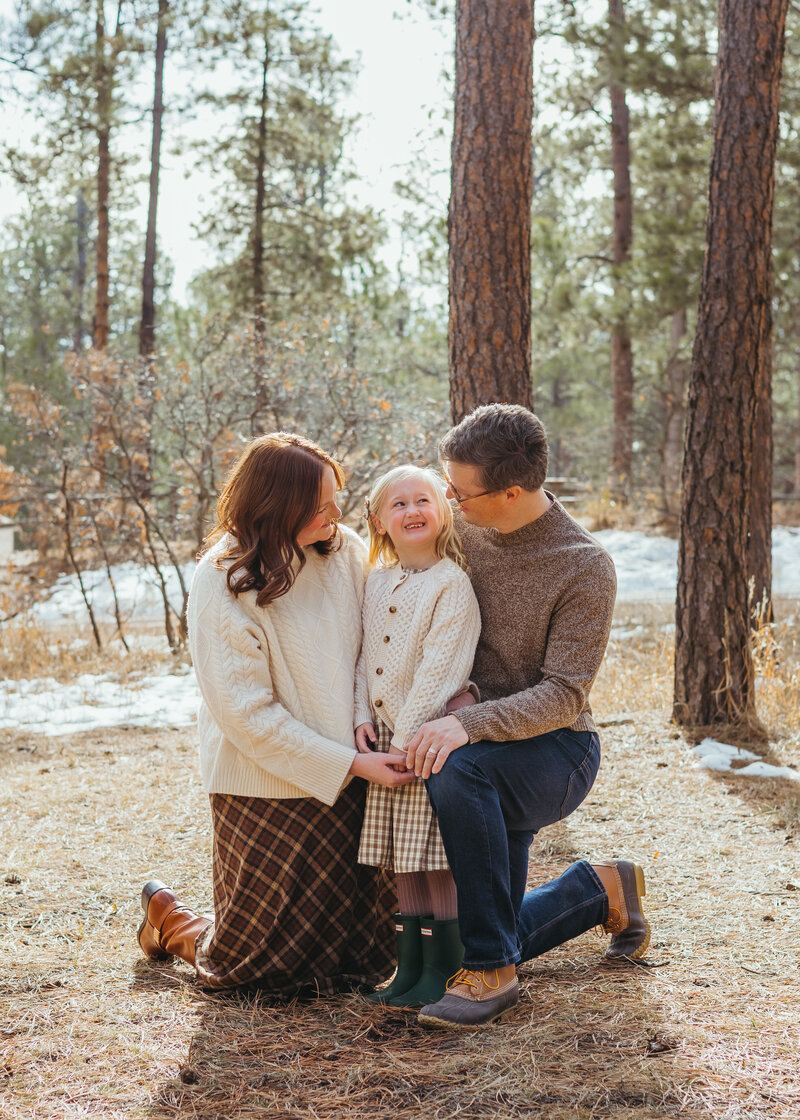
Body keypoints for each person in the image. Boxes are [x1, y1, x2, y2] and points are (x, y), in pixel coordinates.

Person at [136, 432, 414, 996]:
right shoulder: (222, 577)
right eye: (319, 507)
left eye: (337, 498)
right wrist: (349, 765)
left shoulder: (347, 551)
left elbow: (376, 649)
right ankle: (172, 919)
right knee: (253, 973)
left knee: (363, 961)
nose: (336, 514)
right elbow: (246, 715)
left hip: (355, 775)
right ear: (275, 506)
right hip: (265, 781)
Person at [401, 404, 651, 1029]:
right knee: (496, 926)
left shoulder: (582, 565)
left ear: (511, 492)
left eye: (461, 492)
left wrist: (469, 722)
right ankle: (599, 891)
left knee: (456, 768)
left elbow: (565, 694)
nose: (449, 502)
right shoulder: (463, 533)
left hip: (556, 753)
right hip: (483, 748)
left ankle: (491, 972)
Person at [354, 466, 481, 1007]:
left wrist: (405, 740)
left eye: (423, 500)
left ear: (442, 511)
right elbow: (363, 657)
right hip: (384, 739)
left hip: (422, 741)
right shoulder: (376, 580)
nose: (412, 511)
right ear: (380, 522)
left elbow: (440, 669)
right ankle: (408, 968)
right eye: (398, 504)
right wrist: (360, 714)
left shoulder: (450, 583)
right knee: (404, 858)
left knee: (435, 858)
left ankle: (443, 970)